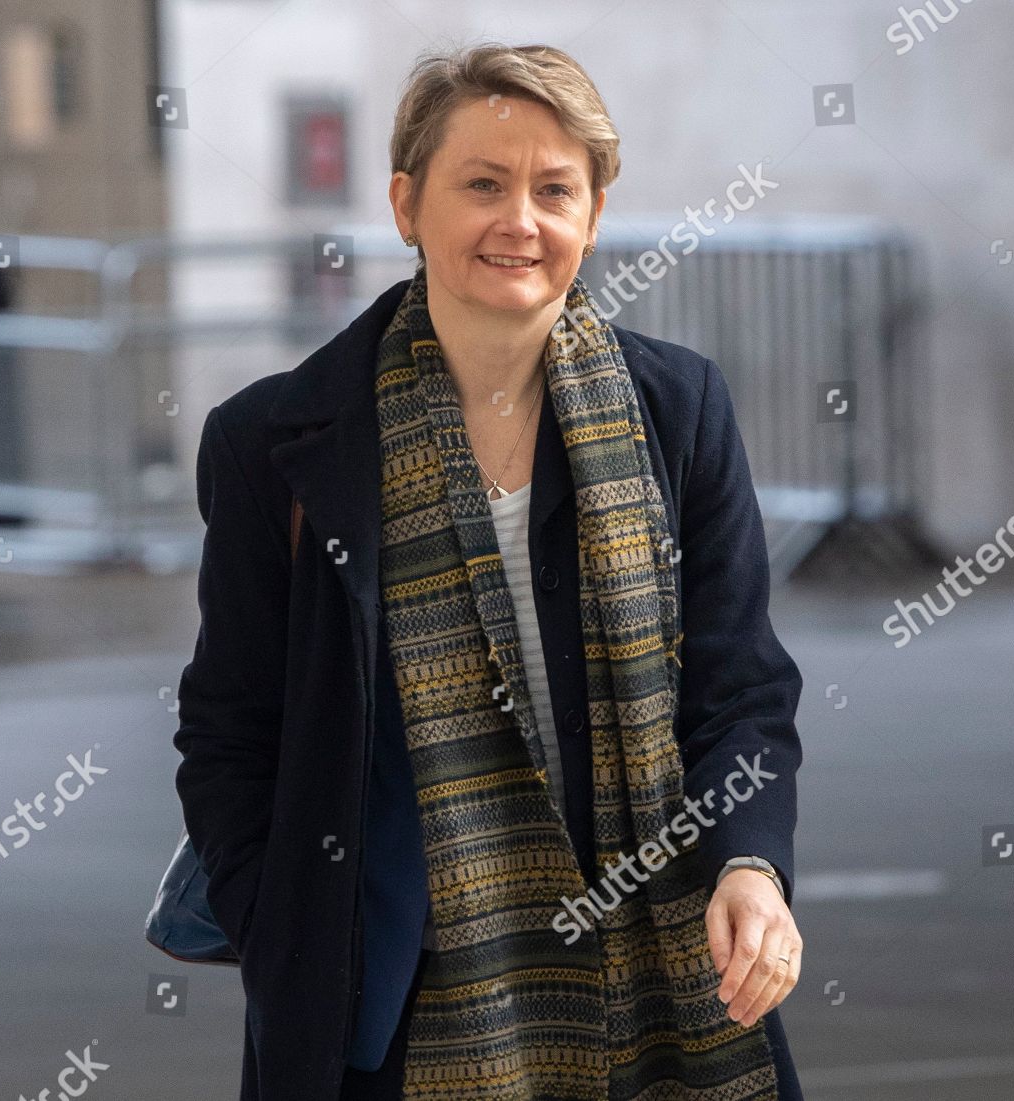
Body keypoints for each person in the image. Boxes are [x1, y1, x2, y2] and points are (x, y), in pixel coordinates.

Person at [173, 42, 805, 1100]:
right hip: (393, 1008)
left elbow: (741, 687)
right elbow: (229, 731)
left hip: (662, 986)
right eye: (483, 184)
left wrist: (750, 863)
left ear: (594, 215)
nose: (521, 221)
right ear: (405, 204)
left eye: (556, 189)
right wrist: (286, 922)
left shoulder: (678, 411)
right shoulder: (275, 442)